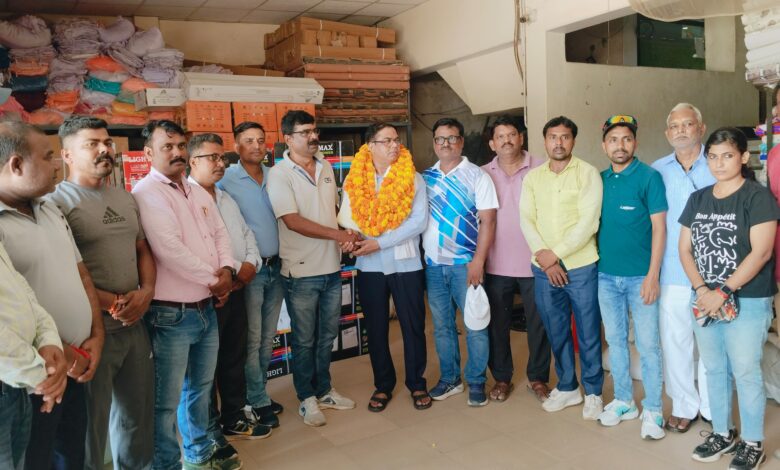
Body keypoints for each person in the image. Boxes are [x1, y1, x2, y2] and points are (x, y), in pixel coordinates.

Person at [46, 116, 155, 470]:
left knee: (137, 417)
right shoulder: (55, 204)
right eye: (91, 144)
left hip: (134, 324)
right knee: (90, 428)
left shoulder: (124, 198)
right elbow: (64, 271)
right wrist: (115, 303)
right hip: (92, 332)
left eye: (106, 142)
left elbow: (142, 249)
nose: (104, 149)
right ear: (66, 155)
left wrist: (146, 292)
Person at [132, 120, 241, 470]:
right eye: (168, 146)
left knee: (200, 389)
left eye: (181, 145)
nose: (177, 152)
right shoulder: (147, 193)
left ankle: (198, 453)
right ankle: (167, 464)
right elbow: (168, 250)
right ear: (148, 153)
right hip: (171, 314)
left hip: (205, 307)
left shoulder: (194, 190)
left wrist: (227, 270)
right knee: (165, 402)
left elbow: (220, 234)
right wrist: (215, 280)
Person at [0, 121, 103, 470]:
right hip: (36, 376)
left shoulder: (49, 207)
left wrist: (96, 335)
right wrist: (65, 356)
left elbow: (80, 272)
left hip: (76, 362)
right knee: (37, 458)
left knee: (72, 454)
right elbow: (13, 313)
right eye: (47, 157)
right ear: (16, 164)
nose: (57, 164)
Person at [679, 127, 780, 470]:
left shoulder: (757, 197)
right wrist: (702, 291)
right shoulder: (698, 199)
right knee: (715, 368)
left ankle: (752, 443)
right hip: (704, 299)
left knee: (745, 371)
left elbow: (761, 252)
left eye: (727, 156)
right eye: (712, 157)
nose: (719, 163)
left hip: (747, 298)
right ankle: (722, 433)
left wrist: (722, 291)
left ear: (743, 157)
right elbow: (685, 249)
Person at [267, 110, 357, 427]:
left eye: (314, 130)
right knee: (305, 340)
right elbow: (292, 221)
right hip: (301, 272)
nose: (313, 136)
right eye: (305, 132)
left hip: (331, 266)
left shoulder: (326, 167)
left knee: (327, 335)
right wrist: (337, 235)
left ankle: (324, 390)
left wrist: (347, 233)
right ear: (288, 139)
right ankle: (306, 397)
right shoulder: (279, 174)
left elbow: (331, 210)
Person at [186, 133, 272, 442]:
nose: (220, 163)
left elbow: (246, 234)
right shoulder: (186, 199)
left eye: (222, 157)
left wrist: (249, 266)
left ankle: (234, 416)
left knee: (234, 356)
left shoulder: (224, 197)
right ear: (192, 161)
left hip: (237, 288)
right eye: (213, 157)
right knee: (205, 367)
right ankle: (209, 430)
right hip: (209, 294)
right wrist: (229, 273)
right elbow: (195, 249)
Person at [339, 122, 430, 411]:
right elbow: (349, 218)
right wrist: (351, 238)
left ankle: (417, 382)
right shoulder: (355, 179)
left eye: (396, 140)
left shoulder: (412, 178)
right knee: (376, 328)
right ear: (370, 146)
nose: (394, 145)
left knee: (413, 326)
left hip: (406, 263)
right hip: (369, 266)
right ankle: (383, 385)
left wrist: (380, 243)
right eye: (387, 140)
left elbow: (418, 222)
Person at [519, 116, 604, 419]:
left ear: (573, 141)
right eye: (553, 137)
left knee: (588, 332)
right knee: (556, 330)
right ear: (544, 141)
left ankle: (593, 392)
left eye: (565, 137)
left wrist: (554, 255)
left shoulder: (588, 173)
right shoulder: (533, 178)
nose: (559, 142)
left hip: (580, 267)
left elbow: (588, 222)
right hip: (543, 269)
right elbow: (526, 219)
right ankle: (568, 387)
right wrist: (545, 258)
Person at [595, 115, 667, 440]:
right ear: (604, 146)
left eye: (626, 139)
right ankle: (624, 400)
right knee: (616, 341)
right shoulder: (599, 180)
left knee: (649, 346)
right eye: (613, 140)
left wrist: (653, 275)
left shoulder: (649, 177)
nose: (620, 145)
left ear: (635, 143)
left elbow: (660, 229)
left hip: (641, 278)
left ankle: (653, 408)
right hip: (606, 277)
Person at [422, 117, 498, 407]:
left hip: (466, 265)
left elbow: (488, 222)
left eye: (452, 138)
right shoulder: (425, 178)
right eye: (440, 139)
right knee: (442, 327)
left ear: (461, 141)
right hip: (433, 266)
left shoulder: (478, 176)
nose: (446, 144)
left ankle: (477, 381)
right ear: (434, 143)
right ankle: (451, 379)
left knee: (475, 324)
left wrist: (478, 260)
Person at [218, 121, 285, 428]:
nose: (257, 146)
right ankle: (256, 400)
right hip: (250, 271)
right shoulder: (226, 180)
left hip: (278, 267)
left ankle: (257, 394)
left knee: (267, 338)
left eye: (261, 140)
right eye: (249, 141)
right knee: (253, 338)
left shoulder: (276, 175)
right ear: (236, 146)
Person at [652, 103, 714, 433]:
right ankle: (683, 405)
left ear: (700, 129)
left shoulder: (718, 163)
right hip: (672, 271)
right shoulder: (657, 170)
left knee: (711, 344)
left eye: (688, 124)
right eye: (674, 126)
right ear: (667, 133)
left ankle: (712, 406)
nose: (681, 130)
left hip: (713, 273)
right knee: (675, 343)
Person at [481, 115, 552, 403]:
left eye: (512, 134)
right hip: (496, 263)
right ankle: (501, 378)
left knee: (540, 323)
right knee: (497, 325)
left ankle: (538, 378)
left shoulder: (542, 167)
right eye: (500, 136)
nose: (506, 140)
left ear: (521, 138)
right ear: (492, 144)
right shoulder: (482, 174)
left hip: (536, 262)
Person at [0, 183, 66, 470]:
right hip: (19, 377)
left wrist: (48, 340)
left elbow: (22, 292)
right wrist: (44, 376)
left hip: (18, 386)